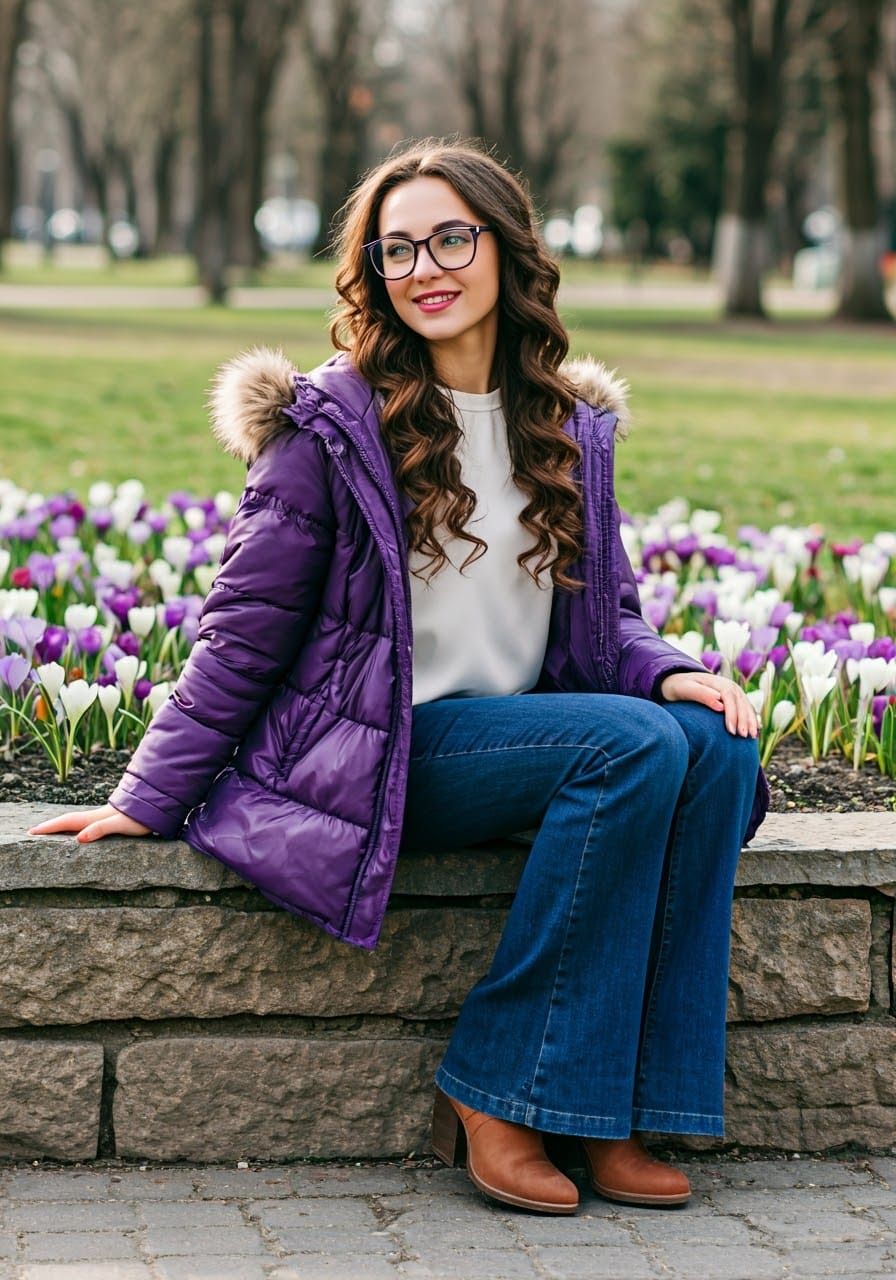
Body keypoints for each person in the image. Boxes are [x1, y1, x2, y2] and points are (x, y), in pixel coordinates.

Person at [28, 138, 769, 1216]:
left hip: (512, 735)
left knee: (707, 741)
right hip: (375, 753)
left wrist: (669, 672)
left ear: (505, 251)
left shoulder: (566, 425)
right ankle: (499, 1092)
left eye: (449, 239)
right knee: (630, 746)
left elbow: (604, 615)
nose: (423, 267)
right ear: (370, 274)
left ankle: (613, 1112)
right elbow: (245, 629)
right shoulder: (328, 428)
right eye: (395, 250)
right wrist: (145, 796)